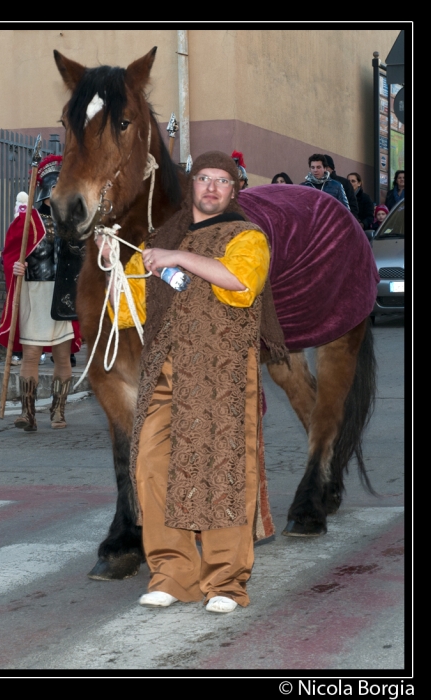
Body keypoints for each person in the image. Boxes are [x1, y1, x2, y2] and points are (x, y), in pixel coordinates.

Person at [97, 151, 288, 613]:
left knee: (222, 470)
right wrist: (118, 268)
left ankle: (225, 581)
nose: (212, 187)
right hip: (165, 369)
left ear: (233, 190)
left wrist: (176, 257)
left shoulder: (247, 236)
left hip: (222, 370)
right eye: (204, 178)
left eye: (223, 181)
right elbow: (132, 311)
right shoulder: (163, 237)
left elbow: (240, 284)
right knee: (152, 466)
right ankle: (172, 573)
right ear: (192, 184)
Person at [0, 155, 82, 432]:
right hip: (34, 293)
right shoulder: (27, 222)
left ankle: (58, 412)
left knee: (61, 354)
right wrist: (16, 266)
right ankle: (28, 413)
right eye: (55, 187)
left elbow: (83, 260)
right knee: (31, 353)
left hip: (62, 295)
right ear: (45, 188)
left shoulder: (74, 222)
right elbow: (9, 256)